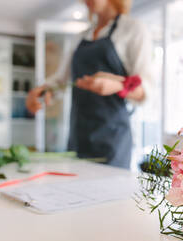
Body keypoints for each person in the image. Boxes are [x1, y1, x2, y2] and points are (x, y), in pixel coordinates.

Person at [26, 0, 153, 169]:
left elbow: (144, 91)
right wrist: (41, 92)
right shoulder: (81, 36)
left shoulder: (133, 29)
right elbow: (60, 80)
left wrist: (115, 85)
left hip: (112, 139)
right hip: (78, 135)